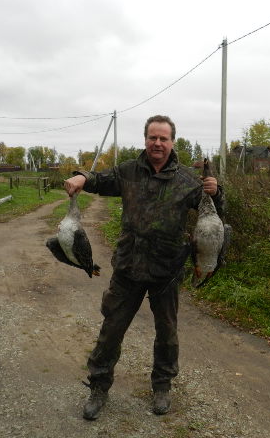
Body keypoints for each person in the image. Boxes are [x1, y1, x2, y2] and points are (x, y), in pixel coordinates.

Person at [64, 115, 225, 420]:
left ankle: (162, 386)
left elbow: (214, 213)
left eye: (163, 138)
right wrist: (81, 177)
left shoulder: (189, 181)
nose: (157, 143)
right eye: (153, 137)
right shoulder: (128, 171)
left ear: (172, 142)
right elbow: (100, 179)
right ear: (146, 140)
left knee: (167, 333)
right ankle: (98, 387)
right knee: (111, 329)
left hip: (167, 270)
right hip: (129, 266)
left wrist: (216, 192)